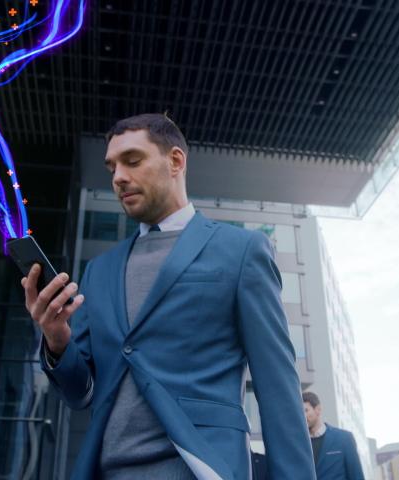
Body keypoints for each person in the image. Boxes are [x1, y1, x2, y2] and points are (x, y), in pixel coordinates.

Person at [22, 113, 315, 479]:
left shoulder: (241, 250)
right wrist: (57, 338)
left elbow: (278, 386)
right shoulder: (100, 270)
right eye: (112, 167)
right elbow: (80, 393)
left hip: (199, 467)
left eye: (132, 161)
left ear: (175, 161)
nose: (118, 178)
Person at [302, 391, 365, 480]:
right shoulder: (300, 444)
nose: (302, 416)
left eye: (306, 411)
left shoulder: (343, 438)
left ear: (318, 409)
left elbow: (356, 475)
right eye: (300, 412)